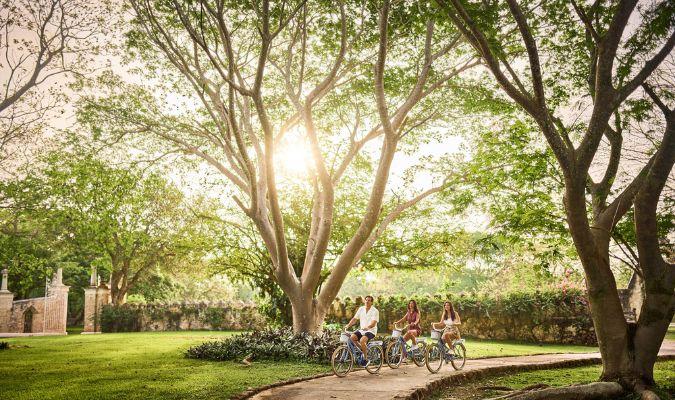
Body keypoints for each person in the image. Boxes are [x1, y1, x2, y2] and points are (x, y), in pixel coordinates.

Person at [345, 295, 379, 366]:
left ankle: (365, 359)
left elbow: (373, 323)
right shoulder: (361, 309)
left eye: (369, 300)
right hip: (362, 330)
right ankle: (363, 349)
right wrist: (348, 325)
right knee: (352, 338)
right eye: (366, 300)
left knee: (362, 340)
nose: (367, 301)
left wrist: (368, 327)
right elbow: (354, 319)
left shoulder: (375, 311)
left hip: (371, 331)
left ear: (372, 302)